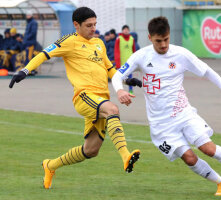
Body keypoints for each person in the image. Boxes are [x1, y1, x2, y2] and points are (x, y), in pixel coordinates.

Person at [111, 16, 221, 196]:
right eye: (158, 41)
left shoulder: (180, 54)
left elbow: (207, 71)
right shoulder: (141, 56)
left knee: (208, 148)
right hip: (161, 125)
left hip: (184, 114)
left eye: (166, 39)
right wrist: (120, 91)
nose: (163, 45)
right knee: (189, 158)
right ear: (150, 38)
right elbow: (116, 76)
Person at [9, 7, 141, 189]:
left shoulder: (99, 43)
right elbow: (43, 54)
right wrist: (24, 70)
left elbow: (110, 69)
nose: (93, 28)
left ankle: (50, 165)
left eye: (95, 24)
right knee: (113, 109)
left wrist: (126, 79)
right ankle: (126, 156)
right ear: (76, 25)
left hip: (101, 98)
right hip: (85, 96)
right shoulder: (68, 41)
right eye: (89, 25)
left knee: (91, 150)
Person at [114, 25, 136, 94]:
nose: (126, 30)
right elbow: (116, 51)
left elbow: (134, 51)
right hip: (121, 62)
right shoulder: (119, 38)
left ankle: (130, 90)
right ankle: (121, 90)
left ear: (129, 31)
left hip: (130, 62)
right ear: (122, 30)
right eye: (124, 29)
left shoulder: (132, 39)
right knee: (121, 77)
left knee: (130, 76)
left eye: (127, 29)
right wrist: (117, 62)